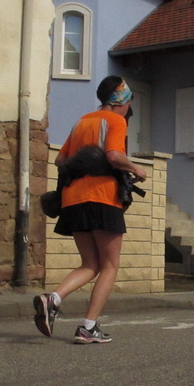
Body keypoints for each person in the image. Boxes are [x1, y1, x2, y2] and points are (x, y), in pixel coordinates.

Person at [33, 76, 147, 343]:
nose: (129, 108)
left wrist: (85, 161)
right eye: (128, 103)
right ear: (120, 101)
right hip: (103, 198)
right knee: (109, 265)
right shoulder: (115, 121)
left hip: (73, 200)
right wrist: (136, 168)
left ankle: (53, 298)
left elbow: (61, 159)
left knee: (90, 264)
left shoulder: (82, 122)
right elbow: (114, 156)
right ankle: (88, 327)